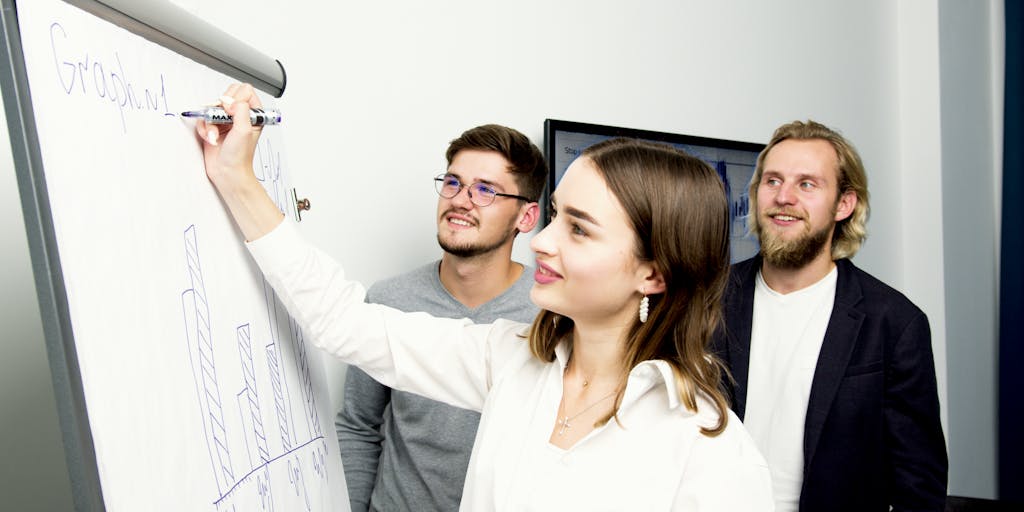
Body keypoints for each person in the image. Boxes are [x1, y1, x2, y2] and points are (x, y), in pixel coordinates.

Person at [197, 83, 773, 510]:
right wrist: (238, 179)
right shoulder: (512, 361)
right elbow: (345, 321)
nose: (542, 242)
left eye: (577, 228)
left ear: (653, 273)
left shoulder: (706, 445)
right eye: (552, 217)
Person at [713, 120, 947, 511]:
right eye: (772, 181)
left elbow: (918, 486)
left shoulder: (894, 323)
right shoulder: (706, 299)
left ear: (844, 204)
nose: (783, 197)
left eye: (807, 184)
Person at [335, 124, 545, 512]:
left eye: (486, 190)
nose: (462, 200)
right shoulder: (388, 300)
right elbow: (358, 425)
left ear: (526, 216)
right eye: (453, 182)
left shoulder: (550, 317)